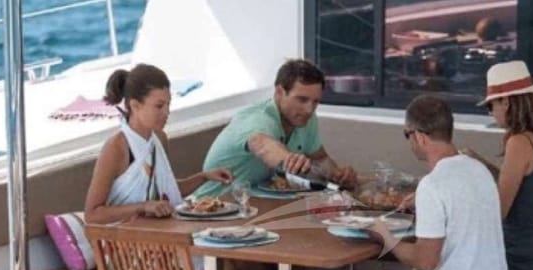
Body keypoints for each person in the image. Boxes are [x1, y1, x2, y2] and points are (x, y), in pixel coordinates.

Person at [338, 95, 508, 270]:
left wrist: (385, 236)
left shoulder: (432, 184)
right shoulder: (478, 170)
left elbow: (425, 261)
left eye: (407, 135)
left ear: (419, 136)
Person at [85, 63, 232, 224]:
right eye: (159, 106)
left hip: (161, 230)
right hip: (127, 236)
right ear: (135, 105)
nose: (166, 112)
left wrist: (204, 177)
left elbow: (166, 189)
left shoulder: (159, 138)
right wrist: (142, 207)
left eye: (168, 105)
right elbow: (93, 214)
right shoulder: (117, 147)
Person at [193, 59, 358, 198]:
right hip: (211, 207)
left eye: (315, 102)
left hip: (257, 204)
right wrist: (289, 159)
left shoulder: (306, 119)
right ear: (279, 92)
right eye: (302, 100)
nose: (309, 109)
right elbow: (261, 144)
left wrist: (337, 175)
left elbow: (320, 159)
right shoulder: (258, 118)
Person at [478, 60, 533, 270]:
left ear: (505, 102)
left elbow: (497, 213)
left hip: (517, 264)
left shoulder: (519, 142)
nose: (491, 113)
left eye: (490, 106)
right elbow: (527, 188)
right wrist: (480, 165)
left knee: (439, 265)